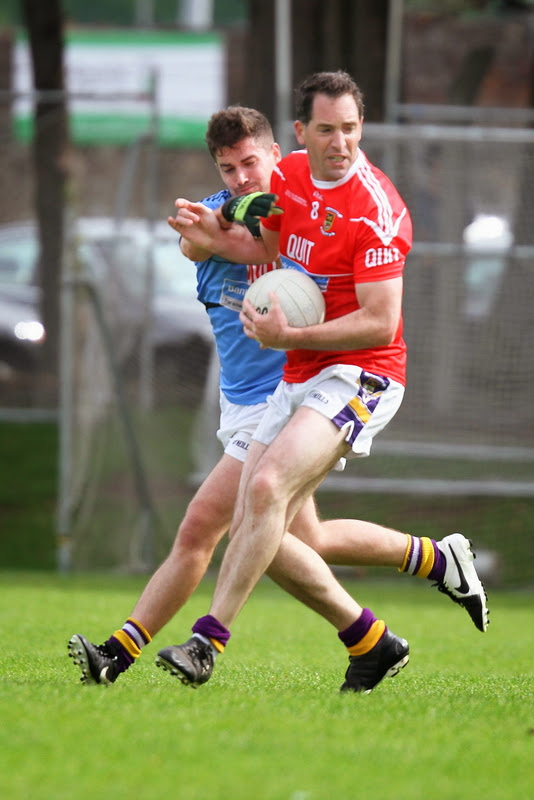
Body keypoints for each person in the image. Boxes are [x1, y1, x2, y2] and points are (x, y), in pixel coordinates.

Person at [68, 102, 487, 693]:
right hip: (243, 402)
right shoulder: (225, 212)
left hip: (296, 392)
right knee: (296, 540)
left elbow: (311, 247)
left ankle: (122, 651)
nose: (241, 176)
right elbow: (197, 244)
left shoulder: (300, 198)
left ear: (276, 153)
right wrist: (209, 230)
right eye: (227, 169)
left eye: (249, 162)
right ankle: (395, 612)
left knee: (203, 528)